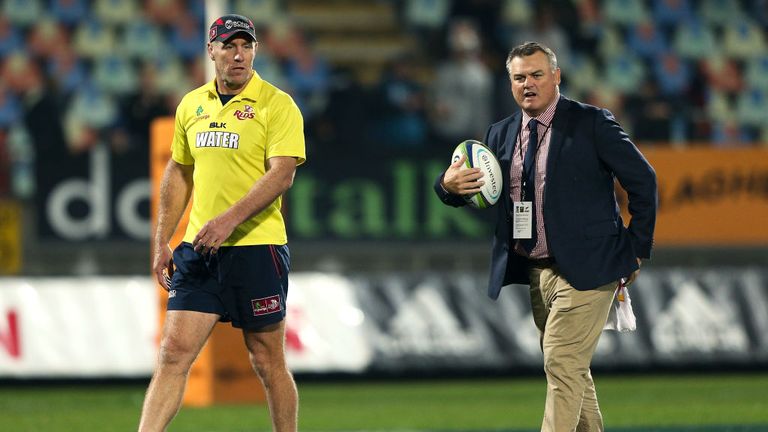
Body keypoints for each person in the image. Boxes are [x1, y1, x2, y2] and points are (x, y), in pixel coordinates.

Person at [434, 41, 657, 432]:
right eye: (519, 77)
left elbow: (643, 180)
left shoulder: (591, 122)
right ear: (509, 83)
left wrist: (636, 248)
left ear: (556, 76)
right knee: (570, 371)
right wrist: (447, 186)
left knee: (560, 361)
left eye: (537, 75)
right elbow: (477, 194)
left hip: (590, 267)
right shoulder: (500, 133)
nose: (528, 84)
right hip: (537, 272)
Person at [138, 14, 305, 432]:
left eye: (246, 46)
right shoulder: (191, 105)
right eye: (229, 46)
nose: (239, 54)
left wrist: (228, 221)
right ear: (211, 51)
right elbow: (178, 172)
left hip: (257, 246)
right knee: (173, 354)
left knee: (267, 361)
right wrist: (161, 241)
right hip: (200, 248)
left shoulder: (277, 104)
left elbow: (282, 173)